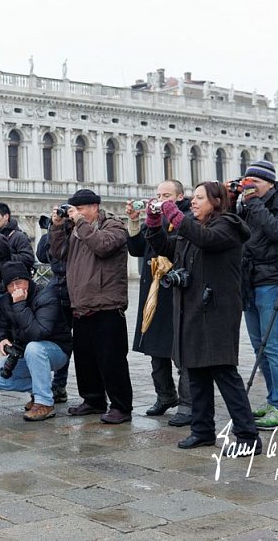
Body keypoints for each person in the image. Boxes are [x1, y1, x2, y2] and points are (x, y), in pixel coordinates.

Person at [146, 181, 261, 452]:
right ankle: (202, 430)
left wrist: (173, 213)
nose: (194, 202)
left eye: (200, 198)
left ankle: (247, 437)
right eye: (193, 198)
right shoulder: (192, 228)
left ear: (217, 201)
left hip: (217, 311)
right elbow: (167, 249)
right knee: (195, 372)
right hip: (192, 309)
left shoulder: (228, 226)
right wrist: (153, 222)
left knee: (224, 373)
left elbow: (206, 240)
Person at [48, 189, 133, 424]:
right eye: (75, 209)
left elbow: (103, 246)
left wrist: (80, 223)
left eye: (82, 209)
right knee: (85, 358)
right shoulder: (76, 230)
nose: (77, 213)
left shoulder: (113, 227)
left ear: (94, 207)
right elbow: (58, 253)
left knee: (112, 359)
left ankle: (121, 406)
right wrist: (56, 227)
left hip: (107, 303)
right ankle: (93, 399)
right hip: (81, 303)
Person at [236, 160, 278, 430]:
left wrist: (252, 201)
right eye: (247, 183)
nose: (250, 187)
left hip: (275, 279)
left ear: (270, 183)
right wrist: (234, 199)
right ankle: (274, 401)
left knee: (273, 345)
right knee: (259, 346)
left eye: (256, 183)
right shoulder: (249, 204)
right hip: (250, 280)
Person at [125, 180, 193, 427]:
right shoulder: (153, 218)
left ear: (180, 196)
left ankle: (188, 403)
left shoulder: (186, 217)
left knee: (181, 349)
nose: (160, 199)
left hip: (176, 289)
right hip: (154, 289)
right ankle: (165, 395)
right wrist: (134, 221)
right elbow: (136, 249)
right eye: (158, 194)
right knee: (155, 346)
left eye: (166, 195)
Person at [0, 261, 73, 421]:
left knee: (34, 348)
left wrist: (20, 304)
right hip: (25, 352)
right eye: (11, 285)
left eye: (19, 282)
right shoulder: (5, 301)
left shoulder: (46, 295)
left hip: (56, 350)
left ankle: (45, 403)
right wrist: (2, 341)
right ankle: (42, 390)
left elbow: (38, 333)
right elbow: (0, 328)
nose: (16, 288)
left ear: (28, 279)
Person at [35, 224, 71, 404]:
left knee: (70, 343)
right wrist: (50, 232)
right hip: (57, 290)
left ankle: (59, 384)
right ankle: (56, 385)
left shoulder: (76, 234)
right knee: (58, 339)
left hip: (75, 292)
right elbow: (41, 255)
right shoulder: (52, 234)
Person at [0, 202, 36, 273]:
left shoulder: (19, 236)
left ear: (6, 216)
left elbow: (28, 259)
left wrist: (6, 257)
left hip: (16, 280)